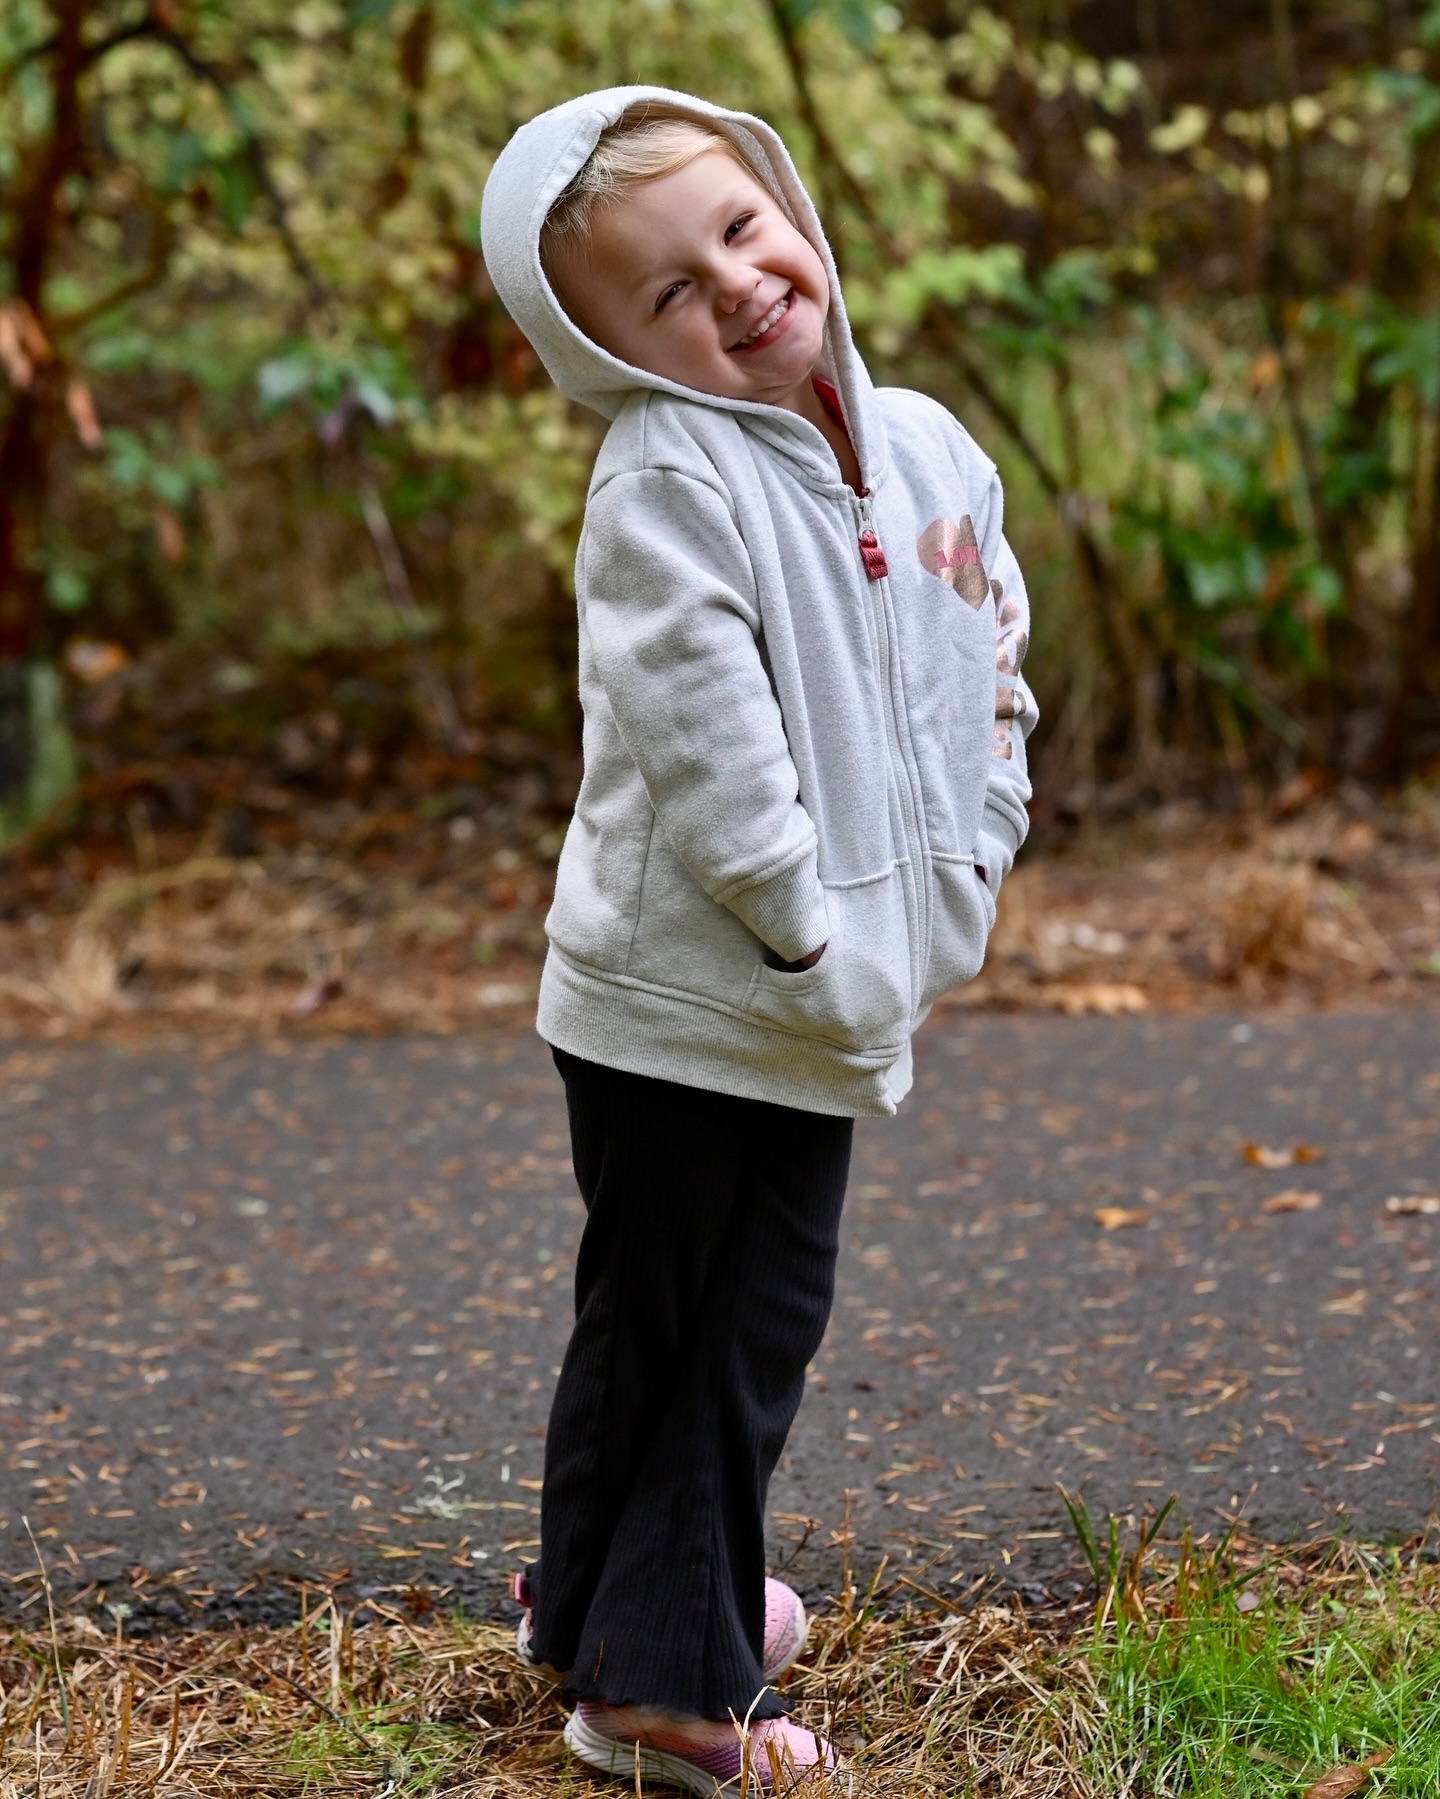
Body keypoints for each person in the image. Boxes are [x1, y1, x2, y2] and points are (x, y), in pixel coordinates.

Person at [479, 86, 1036, 1793]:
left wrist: (988, 820)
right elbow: (705, 744)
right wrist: (808, 934)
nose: (733, 283)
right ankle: (659, 1689)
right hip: (695, 995)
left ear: (788, 206)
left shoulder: (924, 445)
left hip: (813, 982)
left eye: (739, 228)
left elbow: (990, 652)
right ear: (612, 352)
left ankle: (595, 1610)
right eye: (668, 290)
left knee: (659, 1315)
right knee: (734, 1324)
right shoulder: (668, 478)